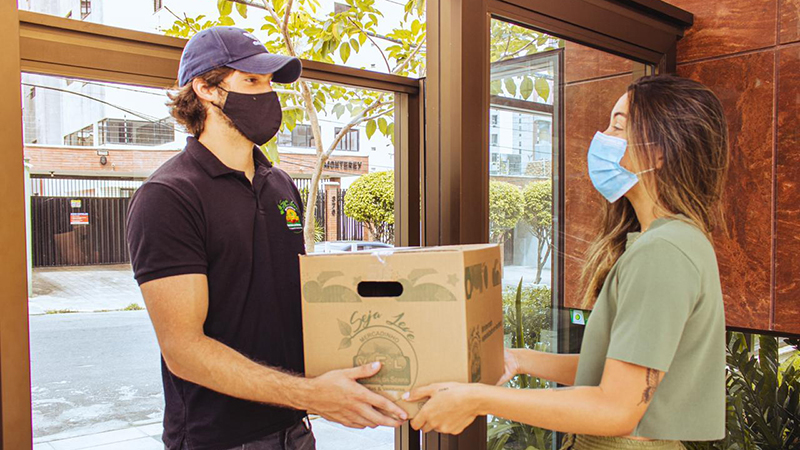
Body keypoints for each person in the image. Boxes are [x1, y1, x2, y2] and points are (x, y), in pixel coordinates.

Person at [405, 74, 729, 450]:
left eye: (617, 125)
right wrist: (519, 359)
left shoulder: (663, 252)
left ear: (659, 153)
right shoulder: (677, 240)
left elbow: (615, 408)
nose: (602, 137)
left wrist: (475, 399)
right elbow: (615, 372)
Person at [126, 26, 407, 450]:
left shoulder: (278, 184)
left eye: (270, 84)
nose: (267, 96)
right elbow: (183, 349)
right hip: (218, 439)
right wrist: (312, 394)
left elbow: (294, 301)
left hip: (294, 429)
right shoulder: (168, 196)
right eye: (252, 81)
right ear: (205, 88)